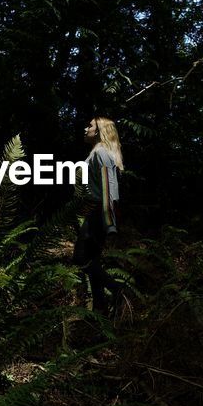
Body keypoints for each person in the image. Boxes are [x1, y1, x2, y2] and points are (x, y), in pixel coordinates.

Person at [73, 116, 123, 313]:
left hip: (99, 213)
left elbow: (108, 187)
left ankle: (118, 289)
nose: (86, 128)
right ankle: (100, 310)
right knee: (92, 261)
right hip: (94, 212)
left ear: (100, 131)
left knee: (81, 258)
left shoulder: (101, 153)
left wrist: (109, 222)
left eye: (90, 125)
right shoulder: (96, 153)